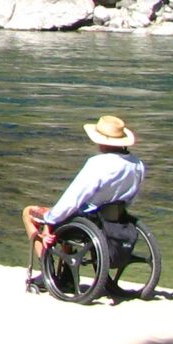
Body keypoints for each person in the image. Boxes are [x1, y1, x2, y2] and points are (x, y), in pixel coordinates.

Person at [23, 114, 145, 289]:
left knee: (29, 213)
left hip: (90, 221)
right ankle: (66, 274)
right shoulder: (137, 164)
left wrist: (51, 220)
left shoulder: (98, 163)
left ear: (102, 141)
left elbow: (73, 197)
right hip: (115, 218)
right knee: (71, 215)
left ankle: (47, 272)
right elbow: (131, 196)